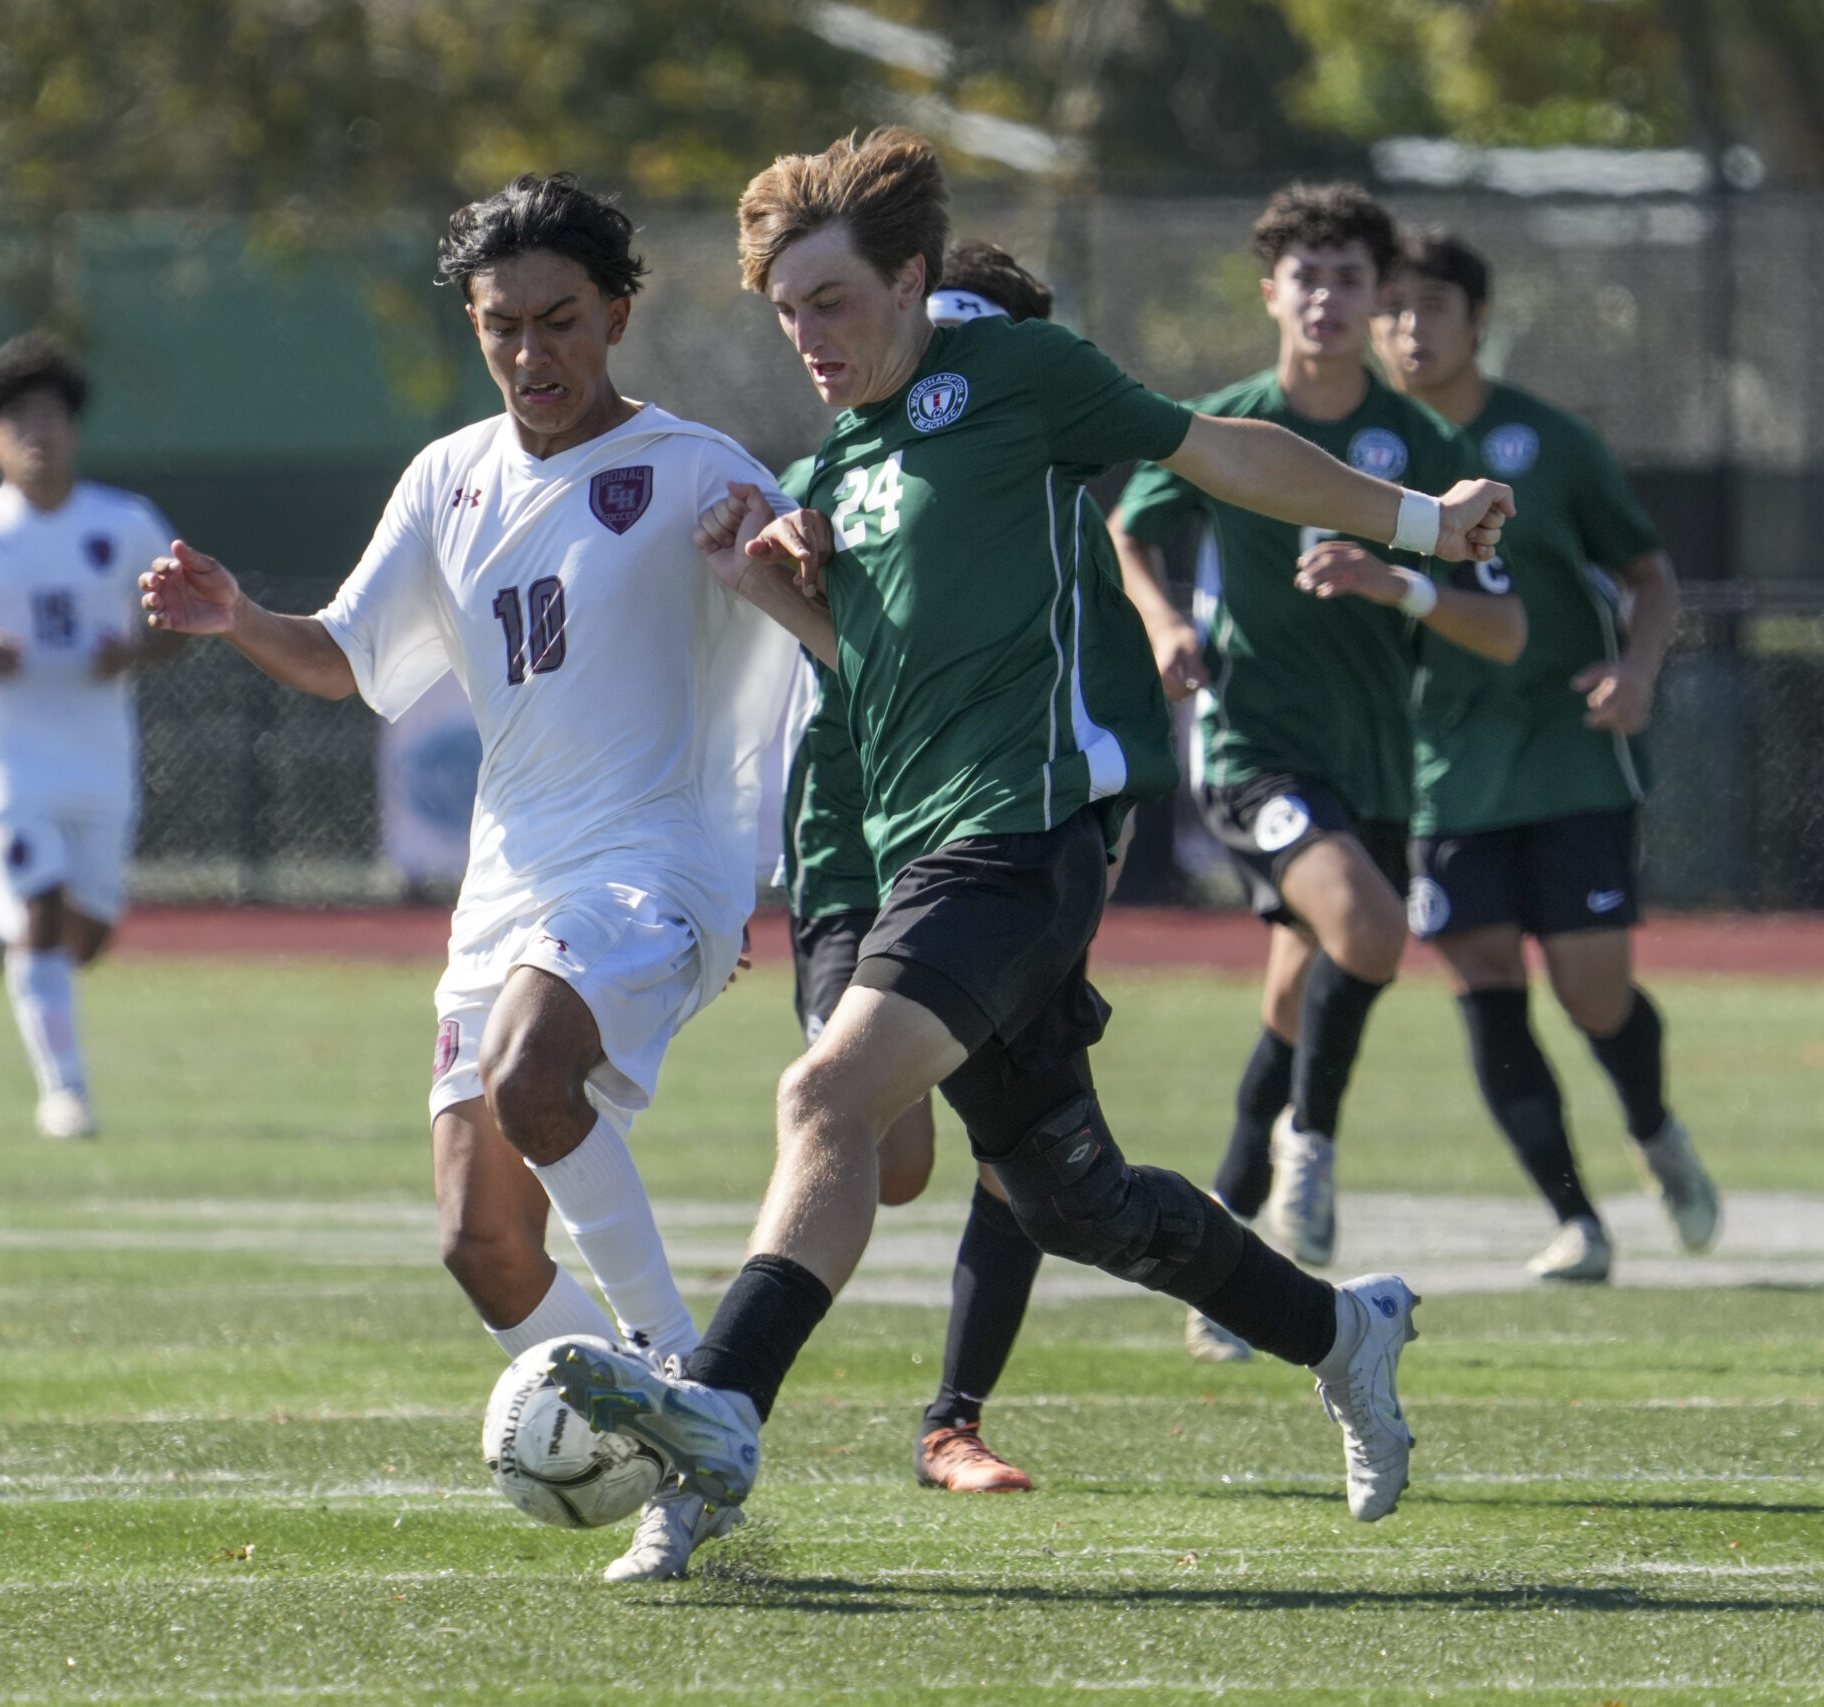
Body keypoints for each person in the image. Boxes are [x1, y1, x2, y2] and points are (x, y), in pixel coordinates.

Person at [542, 128, 1514, 1534]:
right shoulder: (847, 459)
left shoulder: (1011, 378)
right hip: (907, 842)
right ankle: (1341, 1329)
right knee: (1071, 1197)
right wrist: (770, 592)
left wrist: (1423, 522)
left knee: (826, 1098)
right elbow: (868, 674)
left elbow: (1223, 453)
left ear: (912, 279)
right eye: (786, 311)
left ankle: (718, 1424)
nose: (808, 335)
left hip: (1020, 835)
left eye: (833, 301)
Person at [136, 174, 820, 1580]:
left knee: (531, 1075)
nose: (533, 354)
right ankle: (668, 1452)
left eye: (561, 320)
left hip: (658, 865)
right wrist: (232, 616)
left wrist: (791, 572)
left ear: (618, 314)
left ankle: (696, 1403)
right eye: (503, 325)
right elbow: (348, 653)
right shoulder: (447, 476)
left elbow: (814, 631)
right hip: (510, 891)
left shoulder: (700, 467)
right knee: (481, 1242)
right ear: (474, 324)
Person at [1106, 185, 1524, 1364]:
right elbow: (1129, 529)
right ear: (1270, 292)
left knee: (1292, 1007)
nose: (1329, 298)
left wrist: (1402, 581)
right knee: (1376, 932)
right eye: (1309, 276)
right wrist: (1163, 622)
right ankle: (1313, 1150)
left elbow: (1505, 630)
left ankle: (1221, 1271)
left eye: (1350, 278)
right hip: (1252, 750)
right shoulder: (1224, 423)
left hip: (1378, 766)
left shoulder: (1424, 443)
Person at [776, 238, 1101, 1496]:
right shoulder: (837, 470)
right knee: (881, 1145)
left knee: (1013, 1152)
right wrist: (772, 541)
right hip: (853, 856)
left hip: (1001, 838)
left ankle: (949, 1423)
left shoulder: (1050, 504)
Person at [1369, 228, 1719, 1282]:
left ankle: (1653, 1127)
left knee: (1591, 988)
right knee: (1481, 974)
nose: (1404, 326)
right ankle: (1576, 1219)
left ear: (1478, 320)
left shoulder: (1549, 441)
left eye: (1428, 304)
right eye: (1389, 306)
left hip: (1568, 752)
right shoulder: (1358, 450)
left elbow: (1649, 576)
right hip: (1440, 766)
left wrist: (1641, 672)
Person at [0, 336, 183, 1141]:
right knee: (43, 911)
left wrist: (137, 649)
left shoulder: (125, 524)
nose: (38, 435)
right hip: (6, 764)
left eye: (52, 418)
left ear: (75, 431)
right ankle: (65, 1093)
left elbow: (182, 622)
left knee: (84, 939)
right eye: (19, 422)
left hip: (99, 763)